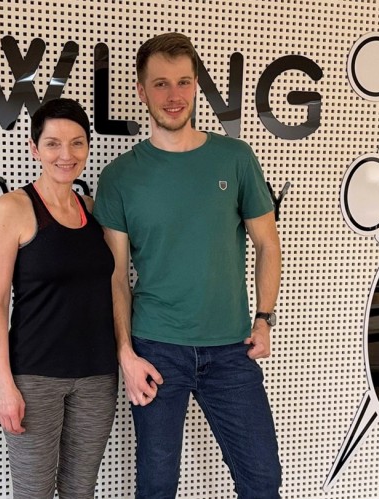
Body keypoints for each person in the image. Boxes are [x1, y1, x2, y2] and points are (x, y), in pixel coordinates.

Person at [93, 33, 283, 498]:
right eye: (160, 84)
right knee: (157, 487)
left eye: (182, 82)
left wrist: (264, 318)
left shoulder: (235, 159)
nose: (173, 95)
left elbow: (267, 243)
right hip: (156, 350)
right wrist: (125, 354)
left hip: (231, 350)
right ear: (141, 91)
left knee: (262, 481)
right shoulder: (119, 177)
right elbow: (115, 277)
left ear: (196, 84)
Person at [0, 98, 118, 499]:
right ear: (34, 148)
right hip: (35, 375)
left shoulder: (94, 211)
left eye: (77, 143)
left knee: (81, 491)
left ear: (87, 147)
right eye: (53, 143)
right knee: (34, 492)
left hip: (97, 375)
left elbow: (113, 289)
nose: (66, 155)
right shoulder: (13, 207)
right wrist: (5, 384)